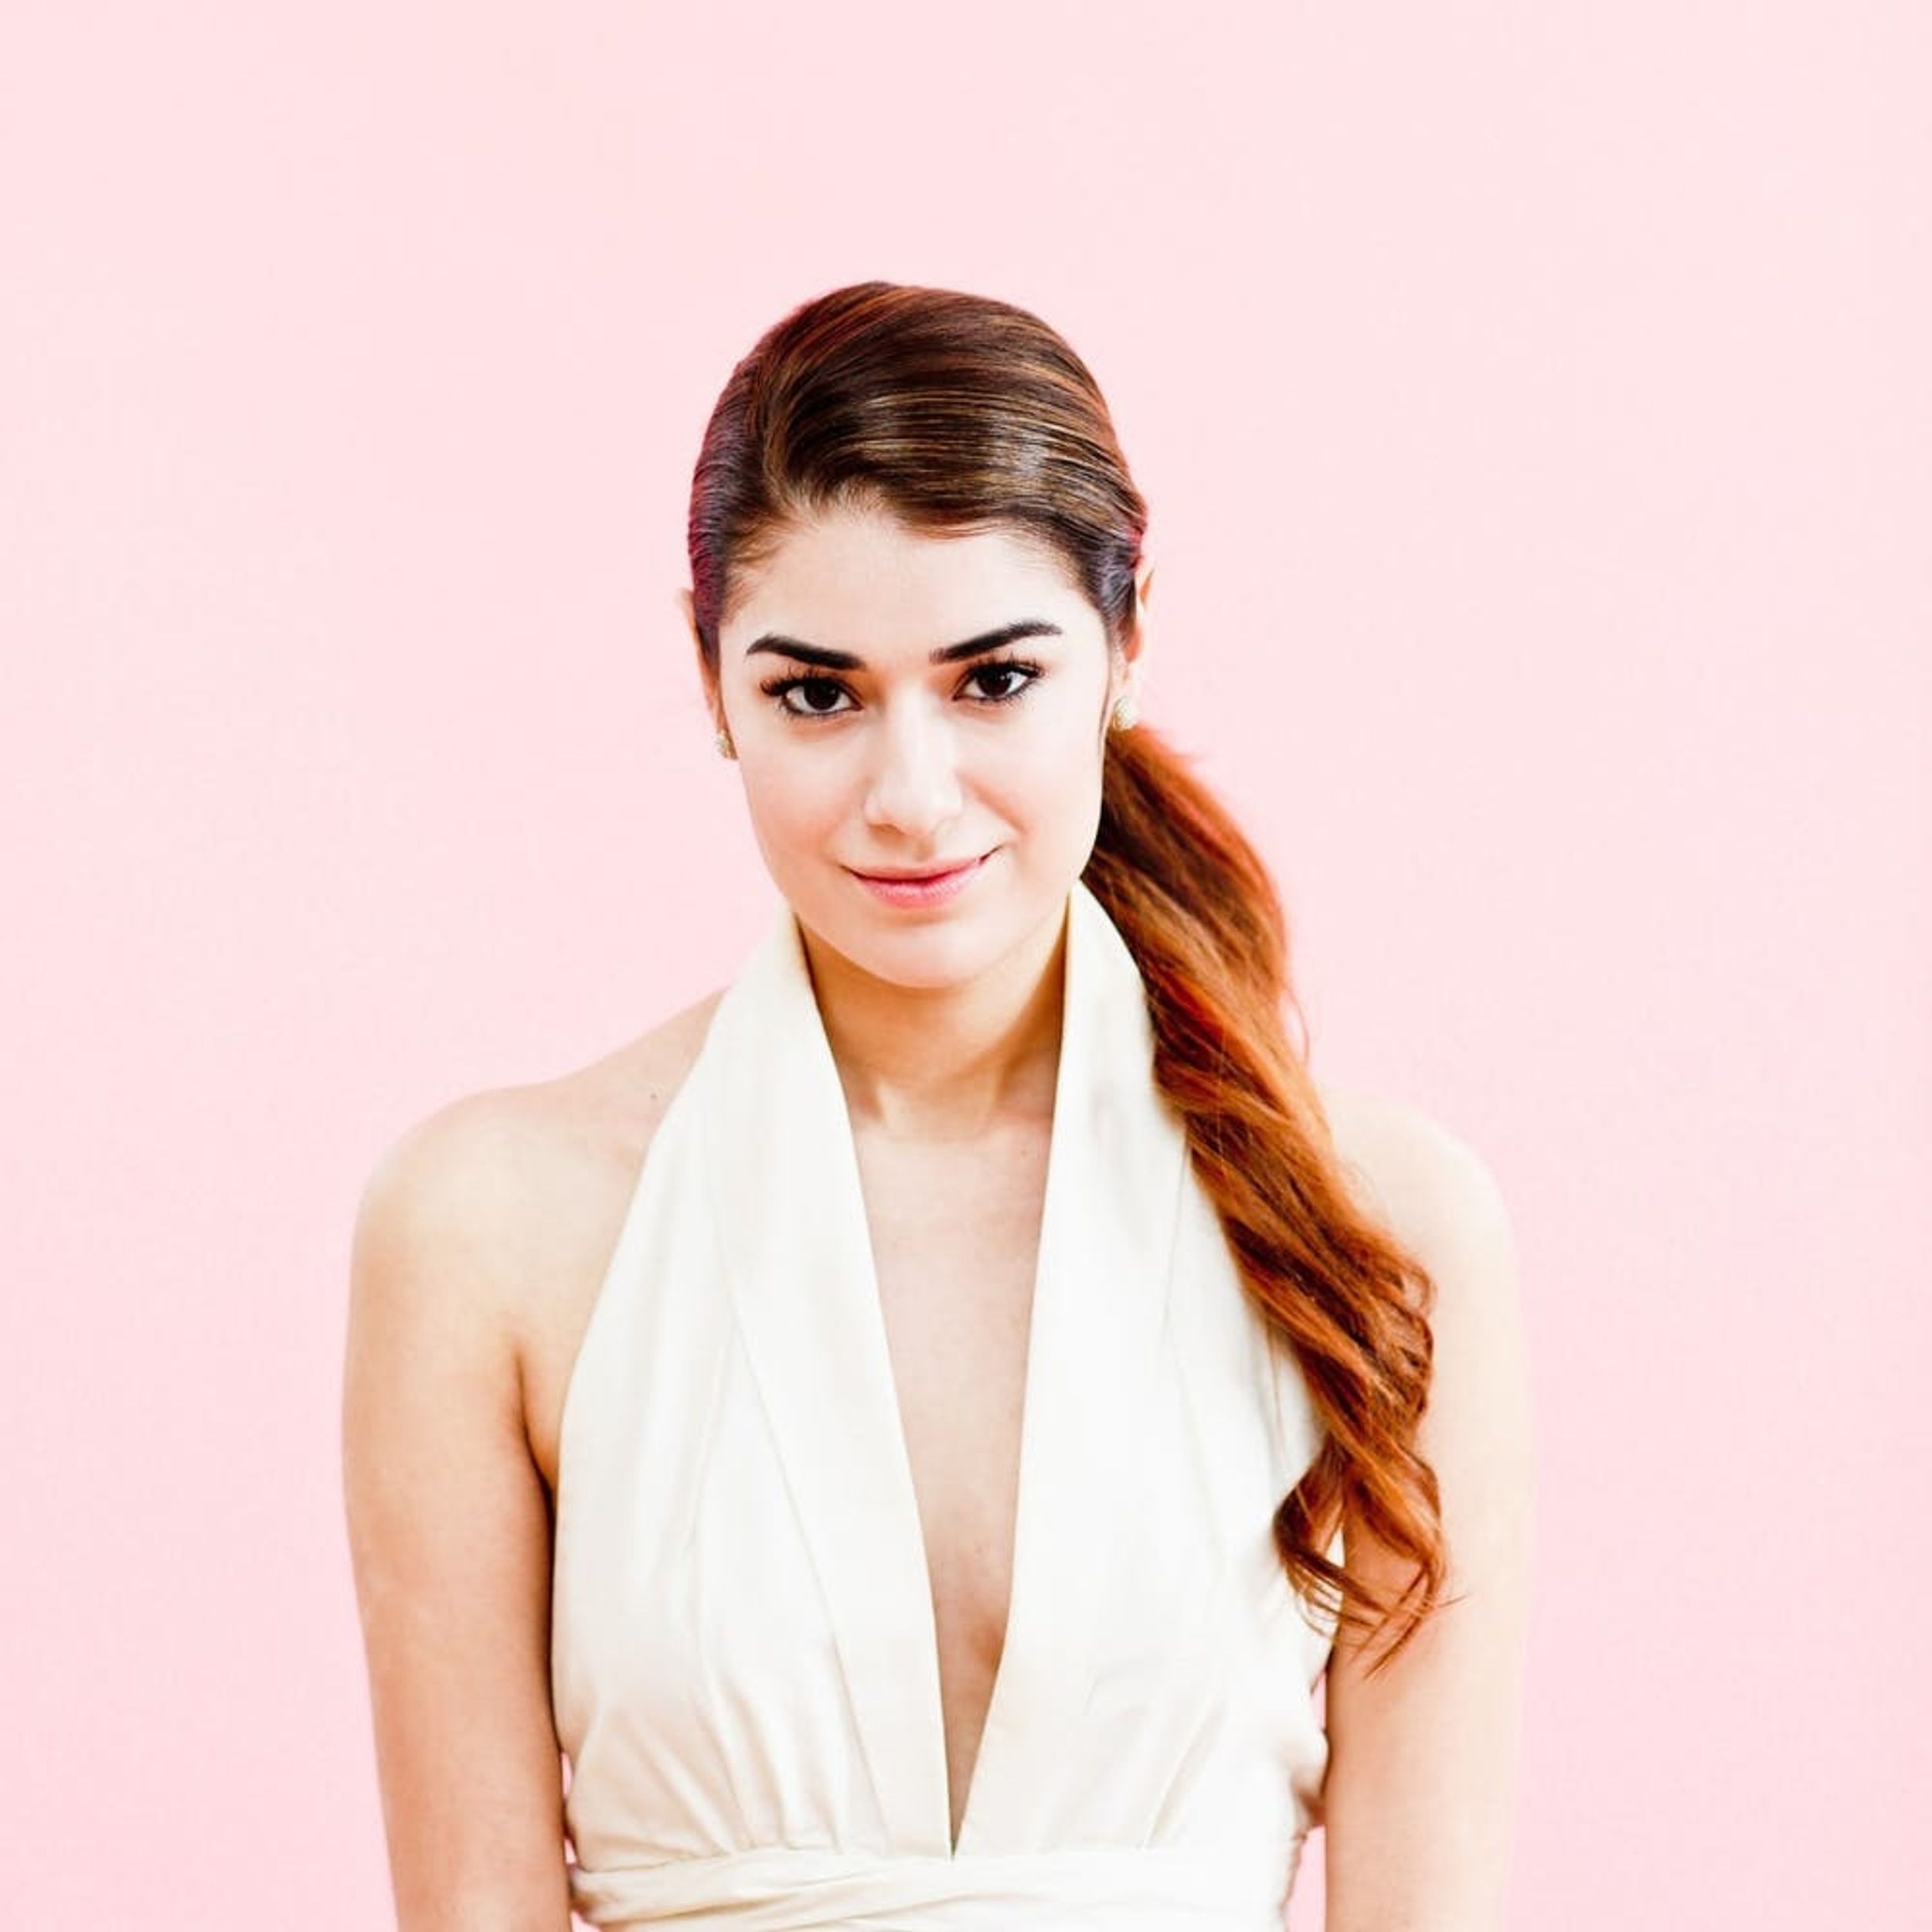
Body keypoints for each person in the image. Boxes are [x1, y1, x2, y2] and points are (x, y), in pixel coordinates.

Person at [342, 280, 1535, 1930]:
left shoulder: (1383, 1227)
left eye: (992, 680)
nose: (909, 797)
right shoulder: (491, 1228)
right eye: (816, 694)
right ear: (710, 682)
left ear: (1125, 648)